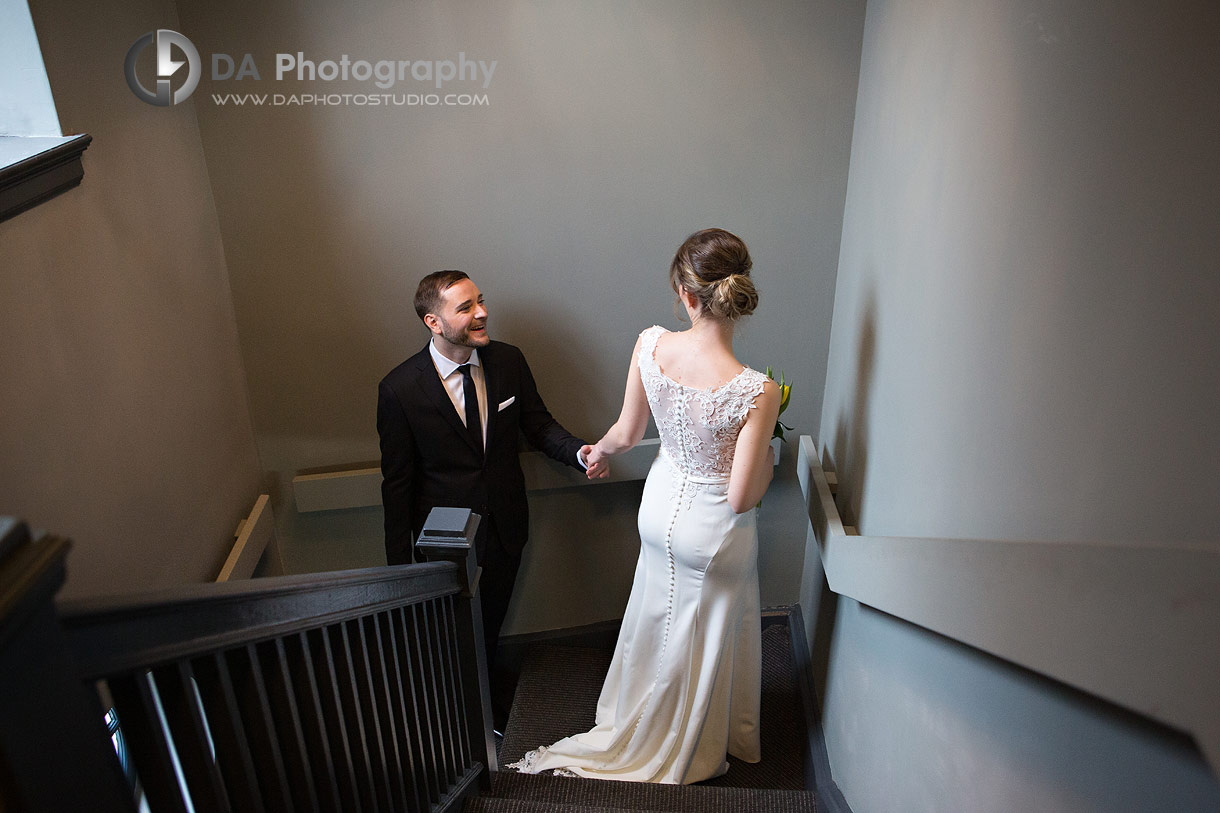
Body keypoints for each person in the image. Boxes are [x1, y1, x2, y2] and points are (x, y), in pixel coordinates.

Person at [509, 229, 781, 784]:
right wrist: (770, 460)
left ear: (686, 294)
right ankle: (698, 736)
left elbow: (627, 432)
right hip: (713, 531)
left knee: (655, 619)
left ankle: (637, 716)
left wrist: (597, 451)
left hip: (658, 511)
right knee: (703, 633)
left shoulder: (650, 345)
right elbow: (742, 495)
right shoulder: (757, 389)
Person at [377, 270, 605, 727]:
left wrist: (578, 453)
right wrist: (401, 567)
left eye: (479, 301)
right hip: (443, 541)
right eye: (465, 307)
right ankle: (452, 719)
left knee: (491, 621)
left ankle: (483, 707)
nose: (481, 313)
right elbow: (396, 485)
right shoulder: (399, 389)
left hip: (504, 525)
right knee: (449, 634)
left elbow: (539, 426)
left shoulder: (508, 362)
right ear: (433, 322)